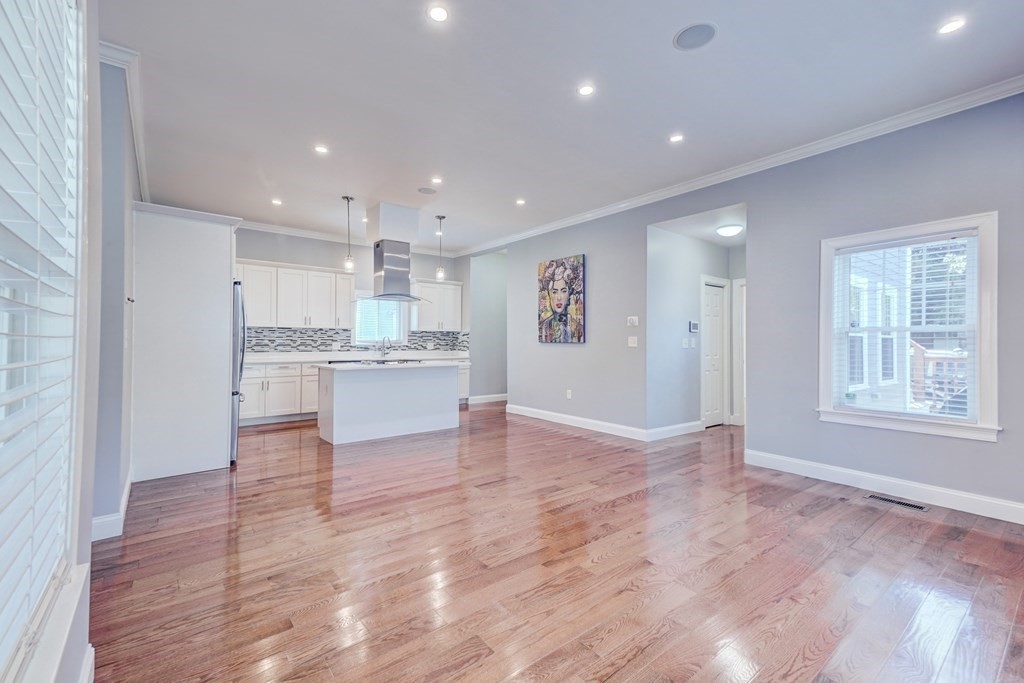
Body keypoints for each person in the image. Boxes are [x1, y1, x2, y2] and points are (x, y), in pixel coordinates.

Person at [539, 257, 584, 342]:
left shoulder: (578, 329)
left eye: (563, 291)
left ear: (569, 293)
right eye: (554, 292)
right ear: (549, 294)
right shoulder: (542, 328)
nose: (559, 297)